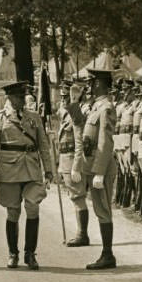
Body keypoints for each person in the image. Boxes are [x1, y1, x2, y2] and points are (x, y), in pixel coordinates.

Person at [0, 81, 53, 270]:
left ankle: (30, 253)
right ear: (9, 97)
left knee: (33, 208)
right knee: (13, 211)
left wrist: (48, 169)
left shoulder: (34, 117)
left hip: (31, 169)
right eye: (17, 97)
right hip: (9, 170)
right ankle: (13, 253)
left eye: (23, 97)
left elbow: (43, 144)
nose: (21, 101)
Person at [69, 68, 117, 269]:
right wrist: (73, 103)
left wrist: (99, 171)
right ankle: (106, 255)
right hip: (90, 164)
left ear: (98, 84)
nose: (88, 86)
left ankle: (108, 255)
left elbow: (105, 142)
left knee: (103, 210)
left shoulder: (106, 108)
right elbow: (80, 130)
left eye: (91, 82)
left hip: (101, 166)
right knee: (99, 209)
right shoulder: (93, 107)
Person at [57, 79, 91, 246]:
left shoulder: (79, 112)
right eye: (62, 96)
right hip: (65, 158)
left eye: (66, 96)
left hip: (73, 159)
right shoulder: (65, 113)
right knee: (74, 197)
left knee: (78, 197)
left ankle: (82, 234)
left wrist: (77, 166)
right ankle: (80, 232)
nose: (63, 99)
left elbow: (79, 141)